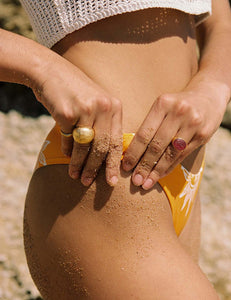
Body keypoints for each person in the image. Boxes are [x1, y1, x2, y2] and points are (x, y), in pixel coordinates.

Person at [0, 0, 231, 299]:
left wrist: (216, 84)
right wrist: (43, 68)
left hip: (183, 173)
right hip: (103, 181)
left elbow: (220, 15)